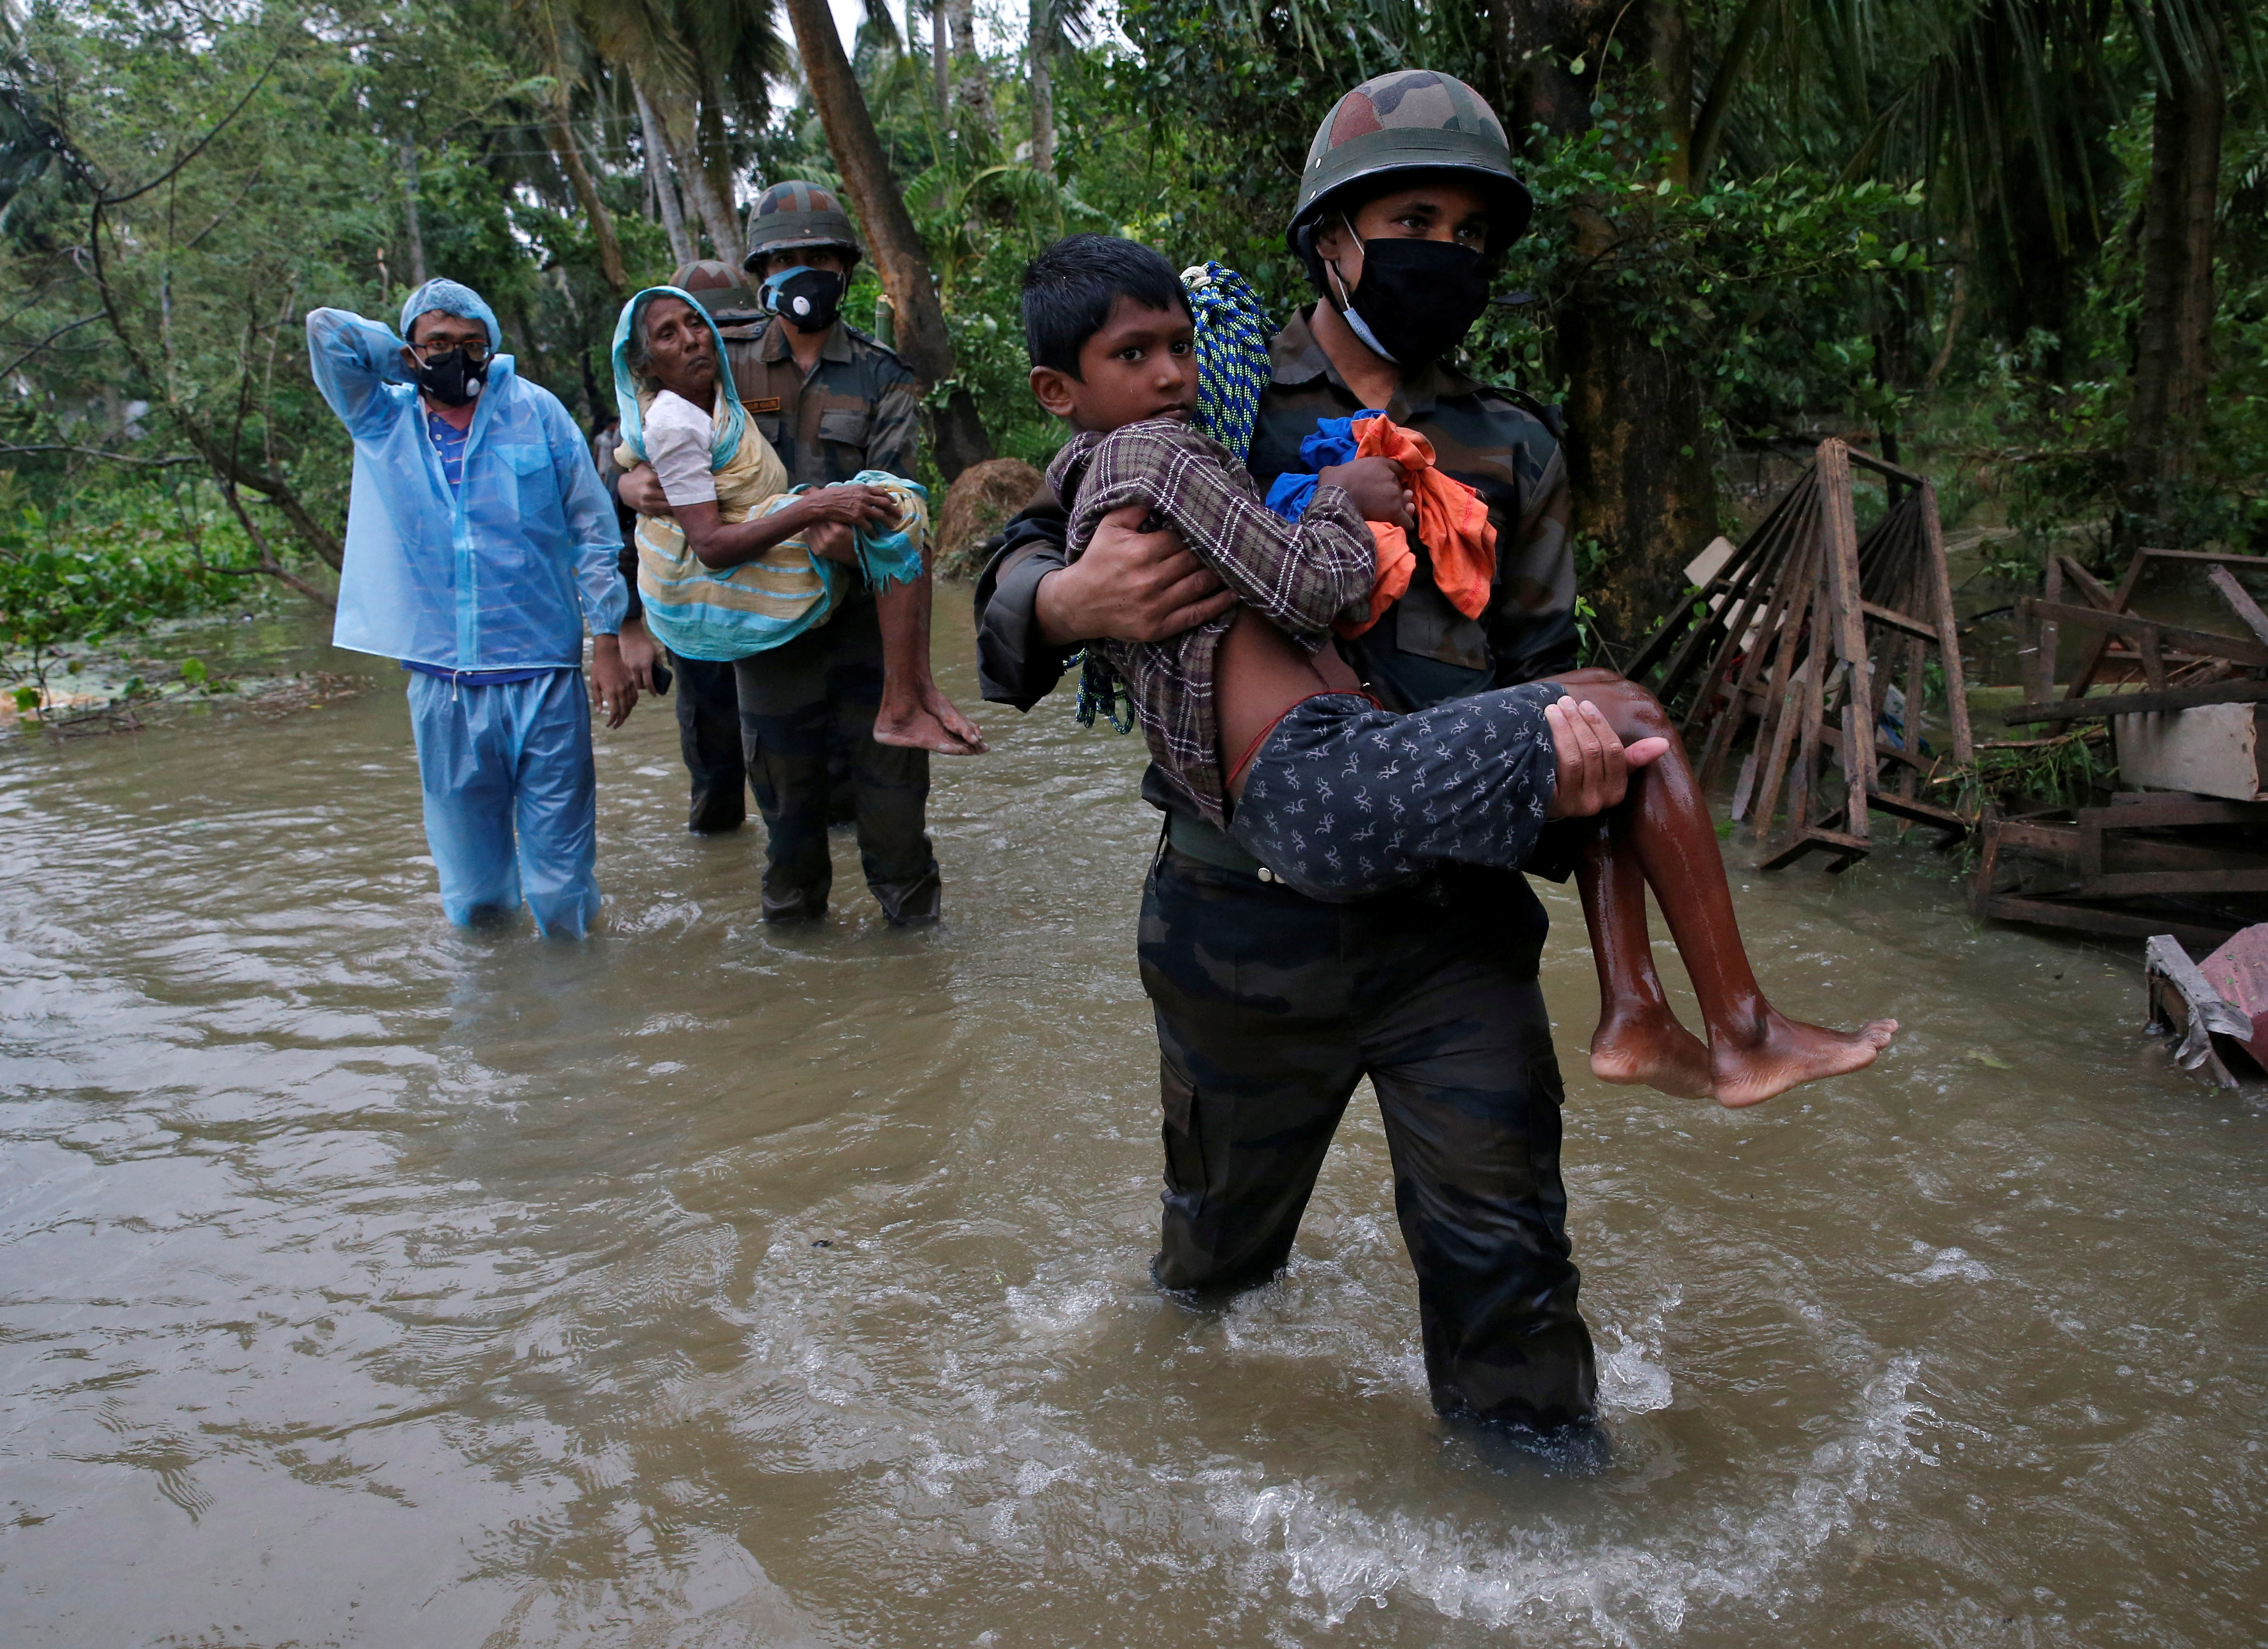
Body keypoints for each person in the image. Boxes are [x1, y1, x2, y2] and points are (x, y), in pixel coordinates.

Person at [977, 74, 1892, 1434]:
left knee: (1511, 1288)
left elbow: (1534, 682)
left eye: (1473, 233)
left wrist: (1571, 798)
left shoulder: (1509, 441)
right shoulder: (1205, 393)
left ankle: (1546, 1550)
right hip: (1238, 928)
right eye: (1414, 218)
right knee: (1213, 1270)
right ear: (1332, 240)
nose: (1446, 254)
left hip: (1450, 940)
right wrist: (1058, 603)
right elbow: (1019, 575)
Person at [620, 184, 955, 925]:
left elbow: (899, 495)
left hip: (866, 626)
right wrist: (632, 478)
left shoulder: (883, 374)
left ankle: (918, 991)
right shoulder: (720, 357)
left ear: (845, 269)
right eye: (788, 259)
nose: (805, 273)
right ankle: (794, 993)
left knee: (897, 823)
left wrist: (852, 534)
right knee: (789, 833)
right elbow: (637, 425)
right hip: (764, 634)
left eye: (821, 259)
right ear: (762, 269)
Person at [306, 278, 649, 938]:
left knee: (561, 892)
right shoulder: (385, 419)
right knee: (476, 900)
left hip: (545, 680)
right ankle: (498, 1027)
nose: (455, 356)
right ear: (411, 351)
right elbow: (327, 330)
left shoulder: (537, 412)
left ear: (492, 349)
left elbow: (593, 530)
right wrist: (406, 363)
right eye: (438, 343)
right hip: (445, 687)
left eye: (472, 344)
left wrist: (606, 640)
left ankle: (582, 1020)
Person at [603, 259, 763, 835]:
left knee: (808, 763)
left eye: (722, 328)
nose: (705, 342)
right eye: (675, 333)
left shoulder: (765, 392)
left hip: (779, 602)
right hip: (694, 613)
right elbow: (616, 526)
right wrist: (628, 626)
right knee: (714, 761)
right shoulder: (645, 420)